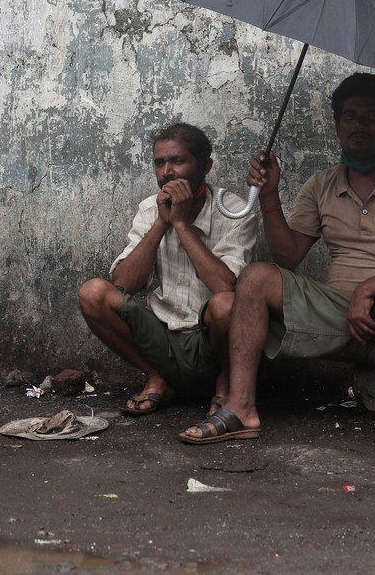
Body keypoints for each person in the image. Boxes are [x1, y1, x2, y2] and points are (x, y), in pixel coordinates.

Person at [179, 73, 375, 463]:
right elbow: (288, 257)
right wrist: (270, 196)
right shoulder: (322, 184)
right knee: (255, 277)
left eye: (372, 116)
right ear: (338, 126)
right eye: (350, 116)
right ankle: (241, 408)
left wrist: (369, 288)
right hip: (338, 314)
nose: (359, 124)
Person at [78, 123, 258, 416]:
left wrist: (182, 225)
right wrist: (162, 222)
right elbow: (123, 283)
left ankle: (226, 387)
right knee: (93, 293)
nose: (167, 172)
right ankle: (157, 378)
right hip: (162, 339)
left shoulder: (234, 210)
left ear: (206, 165)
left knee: (227, 304)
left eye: (178, 161)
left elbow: (227, 288)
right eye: (160, 163)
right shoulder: (151, 208)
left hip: (211, 341)